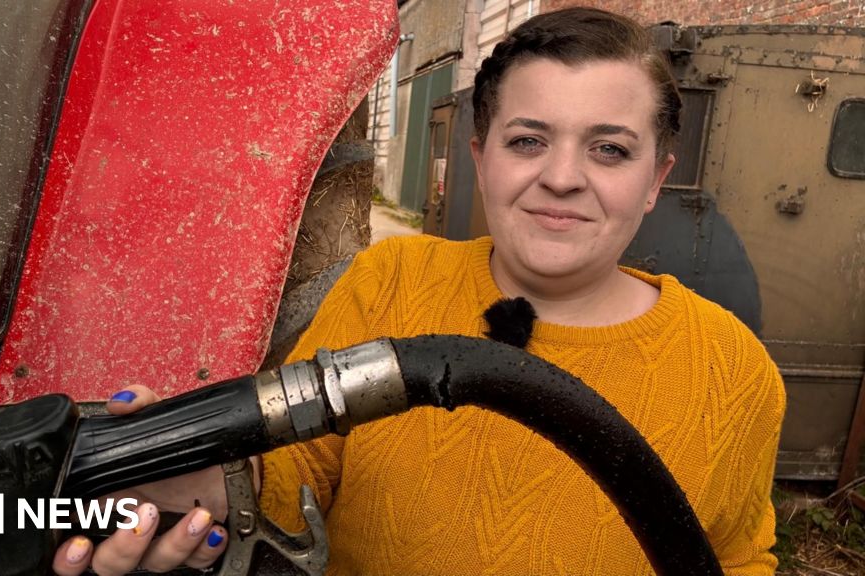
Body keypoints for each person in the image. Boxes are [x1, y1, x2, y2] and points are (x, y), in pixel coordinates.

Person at [53, 7, 786, 575]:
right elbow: (284, 480)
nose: (562, 176)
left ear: (657, 177)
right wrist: (169, 471)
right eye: (528, 140)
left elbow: (734, 558)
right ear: (481, 156)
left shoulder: (732, 367)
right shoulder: (390, 282)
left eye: (610, 150)